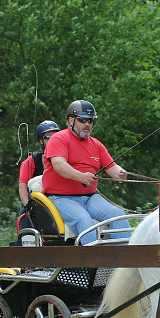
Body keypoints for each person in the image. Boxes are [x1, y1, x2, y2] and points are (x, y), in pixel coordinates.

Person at [41, 100, 131, 245]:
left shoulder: (96, 145)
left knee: (118, 215)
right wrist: (81, 176)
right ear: (71, 120)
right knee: (83, 219)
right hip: (62, 198)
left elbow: (112, 168)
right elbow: (58, 165)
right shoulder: (58, 139)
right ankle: (96, 263)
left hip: (90, 198)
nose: (87, 124)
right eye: (83, 120)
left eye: (90, 121)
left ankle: (129, 261)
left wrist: (120, 173)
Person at [18, 120, 59, 231]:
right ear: (41, 140)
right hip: (35, 205)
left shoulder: (64, 160)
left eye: (56, 136)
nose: (52, 140)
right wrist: (28, 207)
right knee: (26, 221)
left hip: (58, 201)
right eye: (48, 137)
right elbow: (22, 187)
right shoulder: (32, 160)